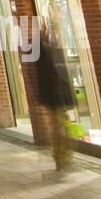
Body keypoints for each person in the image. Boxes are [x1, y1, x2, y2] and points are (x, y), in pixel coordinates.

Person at [35, 20, 78, 171]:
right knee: (60, 126)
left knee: (61, 125)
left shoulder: (47, 46)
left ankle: (63, 156)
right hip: (54, 95)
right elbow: (50, 75)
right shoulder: (43, 48)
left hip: (58, 94)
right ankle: (62, 157)